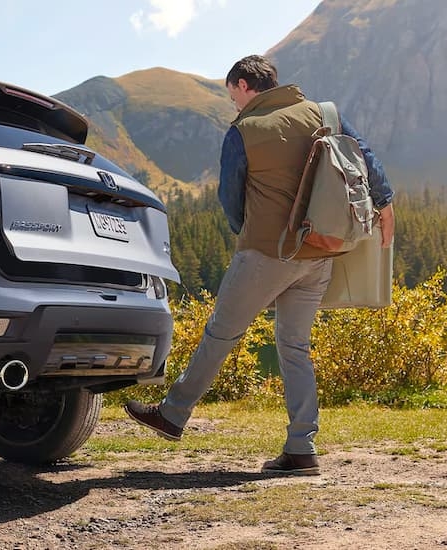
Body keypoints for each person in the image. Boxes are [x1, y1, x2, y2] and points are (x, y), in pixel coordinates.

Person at [124, 55, 394, 476]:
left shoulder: (244, 130)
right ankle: (302, 448)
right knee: (294, 348)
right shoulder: (326, 113)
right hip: (319, 252)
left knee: (220, 334)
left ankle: (172, 415)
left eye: (233, 94)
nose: (233, 103)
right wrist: (387, 201)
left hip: (267, 252)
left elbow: (230, 198)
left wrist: (245, 233)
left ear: (245, 85)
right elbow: (365, 158)